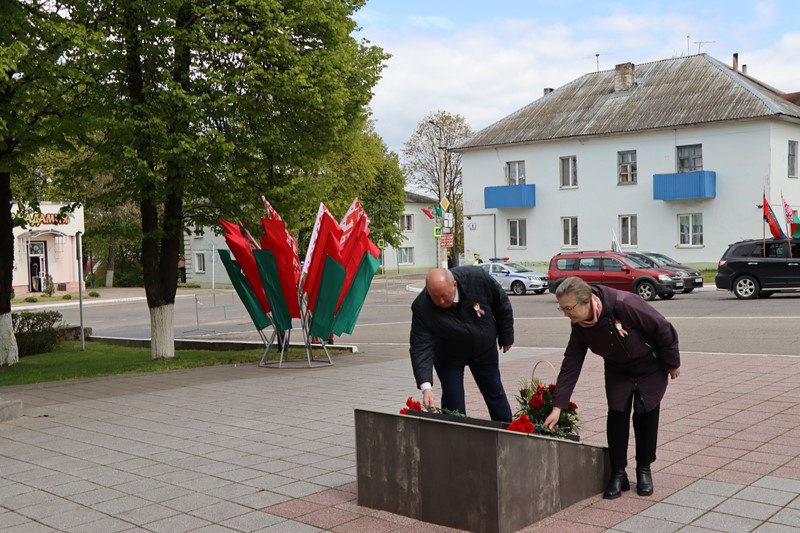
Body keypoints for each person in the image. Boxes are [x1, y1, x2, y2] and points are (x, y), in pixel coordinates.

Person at [544, 277, 680, 500]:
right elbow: (571, 363)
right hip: (618, 369)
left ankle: (644, 469)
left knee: (646, 414)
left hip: (650, 365)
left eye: (569, 309)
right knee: (617, 414)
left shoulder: (624, 303)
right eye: (562, 309)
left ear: (586, 300)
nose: (566, 314)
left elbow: (662, 328)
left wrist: (672, 363)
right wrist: (558, 406)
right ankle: (618, 472)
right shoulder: (580, 326)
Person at [409, 267, 514, 422]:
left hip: (483, 349)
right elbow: (420, 346)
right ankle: (454, 439)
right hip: (448, 356)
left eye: (444, 296)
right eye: (435, 297)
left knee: (494, 392)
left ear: (455, 285)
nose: (441, 302)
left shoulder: (477, 279)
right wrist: (426, 388)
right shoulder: (422, 306)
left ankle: (507, 431)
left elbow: (501, 303)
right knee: (453, 400)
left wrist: (506, 336)